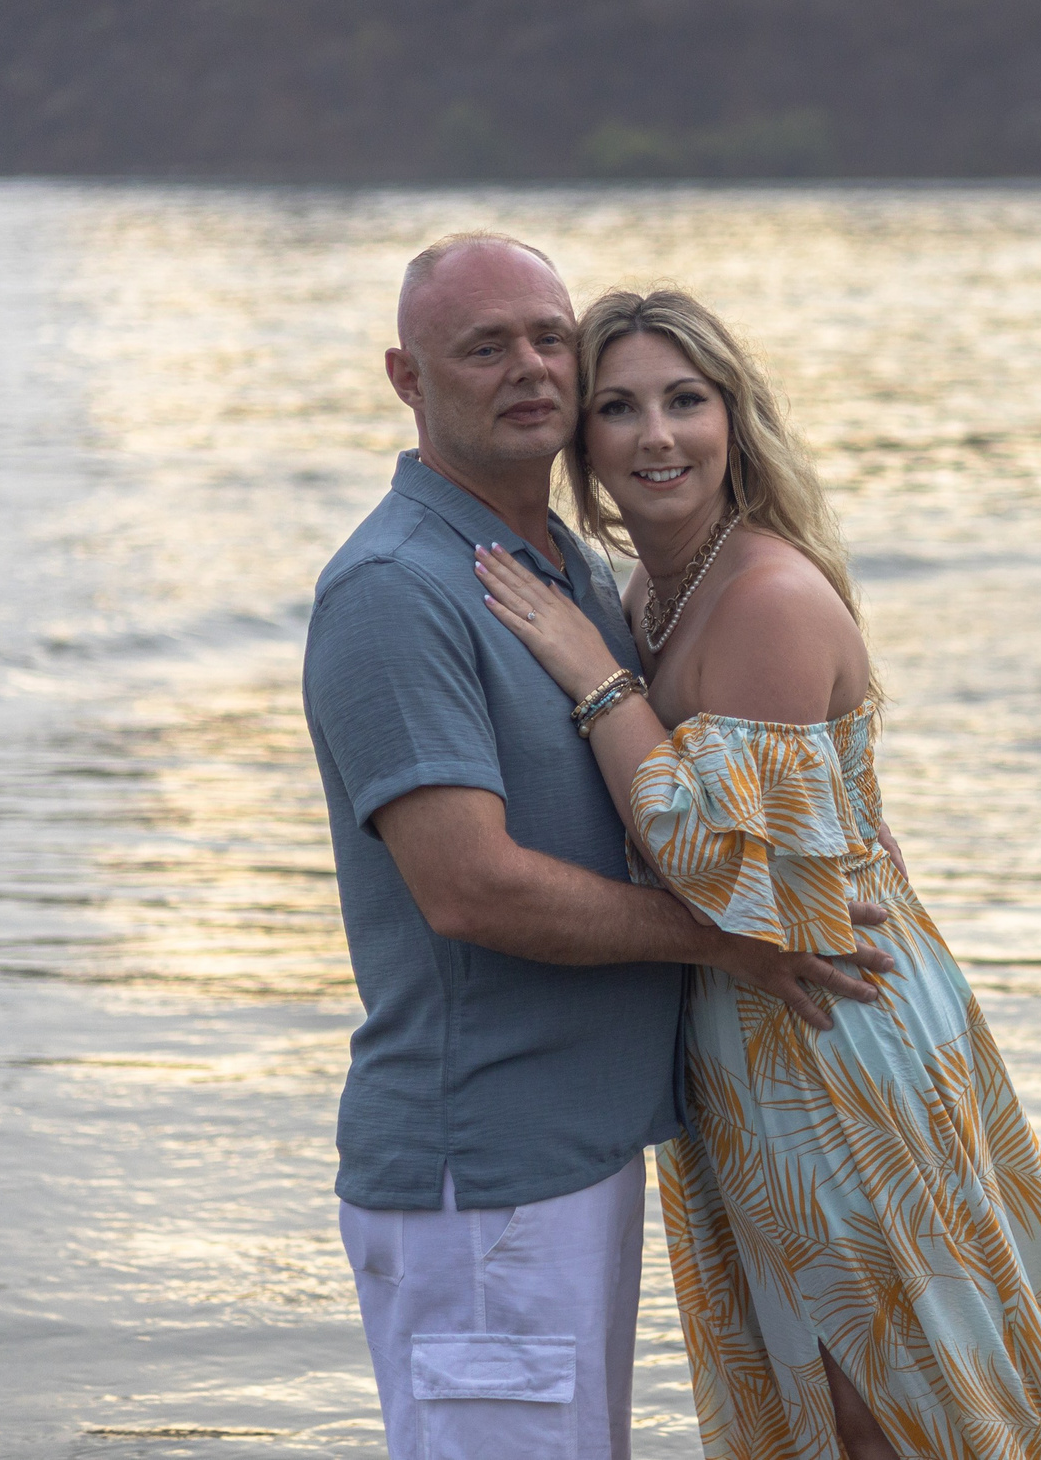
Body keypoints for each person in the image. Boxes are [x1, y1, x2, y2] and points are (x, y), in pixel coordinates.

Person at [471, 287, 1041, 1460]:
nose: (657, 435)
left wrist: (590, 674)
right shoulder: (654, 592)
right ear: (582, 445)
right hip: (753, 1028)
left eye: (685, 401)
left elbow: (721, 873)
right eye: (620, 408)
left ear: (733, 419)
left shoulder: (764, 595)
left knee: (886, 1392)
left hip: (835, 1029)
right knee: (817, 1384)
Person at [301, 234, 896, 1460]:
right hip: (484, 1179)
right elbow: (470, 889)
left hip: (585, 1153)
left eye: (546, 336)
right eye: (483, 346)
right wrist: (735, 940)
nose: (529, 368)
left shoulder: (571, 567)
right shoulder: (394, 590)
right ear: (408, 378)